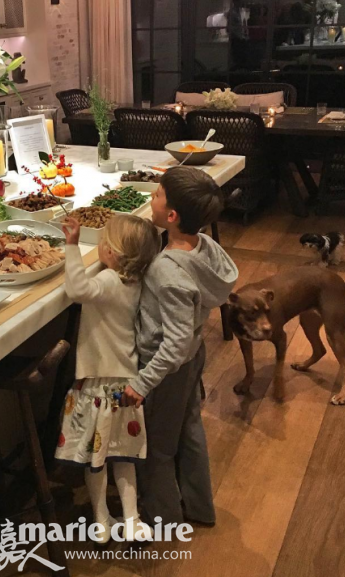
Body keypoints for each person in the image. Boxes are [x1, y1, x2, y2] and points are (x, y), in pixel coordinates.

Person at [123, 167, 239, 526]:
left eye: (157, 194)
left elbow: (173, 344)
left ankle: (163, 516)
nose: (152, 197)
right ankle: (199, 507)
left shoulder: (167, 272)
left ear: (171, 216)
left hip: (165, 370)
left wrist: (142, 383)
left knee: (157, 446)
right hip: (193, 357)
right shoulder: (205, 245)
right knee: (189, 429)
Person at [55, 214, 161, 544]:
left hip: (97, 384)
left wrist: (72, 246)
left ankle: (101, 521)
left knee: (96, 459)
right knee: (123, 456)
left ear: (112, 253)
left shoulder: (110, 282)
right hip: (125, 381)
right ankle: (132, 519)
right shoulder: (134, 281)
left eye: (103, 241)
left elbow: (76, 289)